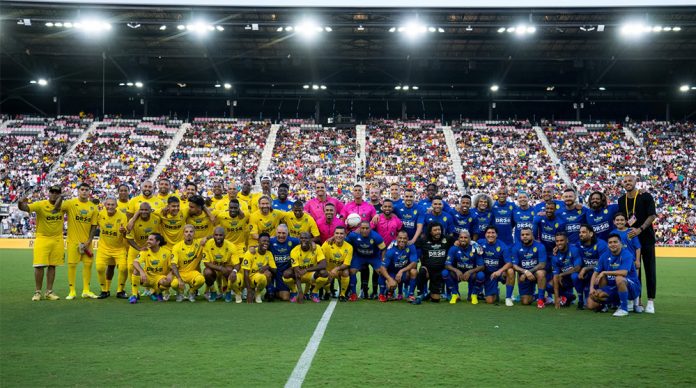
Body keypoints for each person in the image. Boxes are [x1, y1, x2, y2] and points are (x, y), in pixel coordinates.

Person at [18, 185, 64, 301]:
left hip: (57, 239)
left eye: (57, 192)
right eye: (52, 191)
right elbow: (24, 208)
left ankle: (49, 292)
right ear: (49, 193)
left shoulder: (64, 205)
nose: (54, 194)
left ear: (59, 194)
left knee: (52, 266)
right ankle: (37, 292)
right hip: (42, 238)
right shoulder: (40, 204)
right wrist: (20, 202)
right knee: (39, 266)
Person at [586, 233, 642, 317]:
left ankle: (624, 309)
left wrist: (604, 272)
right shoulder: (604, 256)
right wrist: (591, 288)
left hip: (632, 287)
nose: (613, 244)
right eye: (610, 242)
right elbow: (595, 272)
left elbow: (624, 273)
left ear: (621, 243)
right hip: (614, 287)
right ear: (608, 244)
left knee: (619, 278)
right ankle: (608, 305)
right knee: (591, 303)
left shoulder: (627, 254)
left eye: (615, 242)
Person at [61, 182, 99, 300]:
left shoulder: (93, 207)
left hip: (87, 243)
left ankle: (86, 290)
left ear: (89, 192)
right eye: (82, 189)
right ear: (78, 191)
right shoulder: (70, 203)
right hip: (73, 242)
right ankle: (72, 291)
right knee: (72, 265)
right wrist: (62, 196)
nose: (84, 191)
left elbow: (94, 226)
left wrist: (89, 241)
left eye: (86, 190)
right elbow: (57, 208)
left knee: (88, 265)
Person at [413, 222, 456, 304]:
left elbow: (462, 241)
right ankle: (420, 294)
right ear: (430, 231)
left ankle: (431, 293)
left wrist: (458, 243)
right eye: (435, 230)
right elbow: (411, 246)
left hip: (439, 272)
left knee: (436, 300)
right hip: (427, 271)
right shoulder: (423, 240)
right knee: (421, 271)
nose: (437, 232)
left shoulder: (447, 239)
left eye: (439, 229)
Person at [94, 197, 128, 299]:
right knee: (99, 268)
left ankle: (120, 291)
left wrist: (124, 231)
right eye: (108, 204)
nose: (110, 206)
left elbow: (127, 234)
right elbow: (92, 226)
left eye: (112, 204)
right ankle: (104, 290)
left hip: (119, 248)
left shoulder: (122, 216)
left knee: (123, 268)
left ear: (116, 206)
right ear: (104, 205)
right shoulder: (100, 214)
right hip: (103, 248)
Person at [126, 202, 162, 297]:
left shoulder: (156, 218)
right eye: (141, 210)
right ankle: (135, 292)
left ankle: (153, 290)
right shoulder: (133, 222)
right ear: (138, 211)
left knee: (153, 268)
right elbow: (129, 238)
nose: (144, 212)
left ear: (150, 210)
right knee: (131, 268)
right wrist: (139, 248)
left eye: (146, 210)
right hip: (136, 247)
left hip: (151, 248)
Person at [345, 221, 386, 301]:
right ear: (359, 229)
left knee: (381, 271)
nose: (365, 230)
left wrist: (383, 260)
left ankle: (381, 294)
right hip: (359, 256)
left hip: (373, 257)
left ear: (370, 228)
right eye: (363, 228)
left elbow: (383, 249)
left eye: (367, 228)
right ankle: (353, 293)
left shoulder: (376, 236)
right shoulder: (353, 235)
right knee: (352, 271)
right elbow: (345, 243)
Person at [285, 232, 328, 303]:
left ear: (311, 240)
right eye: (301, 238)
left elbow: (323, 264)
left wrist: (306, 270)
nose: (303, 240)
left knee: (324, 273)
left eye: (306, 238)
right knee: (286, 274)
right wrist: (300, 292)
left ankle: (314, 292)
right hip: (300, 275)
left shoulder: (317, 248)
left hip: (312, 275)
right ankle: (294, 292)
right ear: (299, 239)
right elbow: (297, 271)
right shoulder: (294, 251)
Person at [129, 233, 172, 303]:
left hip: (159, 278)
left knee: (168, 282)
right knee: (136, 270)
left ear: (158, 242)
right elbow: (135, 262)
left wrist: (170, 273)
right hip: (146, 278)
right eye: (148, 239)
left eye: (151, 240)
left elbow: (173, 266)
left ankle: (156, 292)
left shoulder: (167, 252)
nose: (148, 241)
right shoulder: (145, 251)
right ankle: (134, 295)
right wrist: (142, 272)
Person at [443, 230, 484, 305]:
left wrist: (470, 272)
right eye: (461, 237)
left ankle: (473, 294)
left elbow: (482, 266)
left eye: (465, 237)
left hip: (471, 275)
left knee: (481, 275)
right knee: (445, 273)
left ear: (470, 239)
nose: (463, 239)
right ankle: (455, 294)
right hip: (458, 274)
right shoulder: (453, 248)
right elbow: (447, 265)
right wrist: (456, 270)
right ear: (458, 239)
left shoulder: (475, 248)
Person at [202, 226, 242, 303]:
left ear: (224, 236)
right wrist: (220, 268)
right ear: (213, 235)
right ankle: (213, 292)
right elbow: (206, 262)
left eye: (220, 235)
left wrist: (234, 271)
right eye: (216, 235)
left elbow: (237, 264)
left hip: (226, 269)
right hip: (215, 269)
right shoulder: (208, 244)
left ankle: (228, 291)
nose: (218, 237)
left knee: (230, 270)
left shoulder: (231, 246)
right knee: (207, 272)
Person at [510, 227, 547, 308]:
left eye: (527, 234)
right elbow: (514, 266)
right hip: (524, 276)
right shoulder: (516, 247)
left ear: (532, 235)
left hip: (536, 274)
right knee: (525, 302)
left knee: (541, 273)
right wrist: (525, 272)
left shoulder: (540, 246)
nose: (525, 236)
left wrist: (529, 271)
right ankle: (535, 296)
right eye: (522, 235)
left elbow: (542, 264)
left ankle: (540, 300)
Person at [478, 226, 514, 306]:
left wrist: (499, 271)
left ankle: (508, 298)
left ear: (497, 235)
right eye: (488, 233)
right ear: (485, 235)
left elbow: (509, 263)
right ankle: (495, 292)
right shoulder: (480, 243)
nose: (490, 235)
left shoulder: (503, 246)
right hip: (488, 274)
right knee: (490, 301)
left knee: (510, 271)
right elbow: (469, 242)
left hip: (500, 273)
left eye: (493, 233)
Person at [576, 224, 609, 310]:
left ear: (591, 234)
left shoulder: (601, 244)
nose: (580, 234)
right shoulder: (578, 244)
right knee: (590, 306)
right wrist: (556, 248)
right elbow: (568, 248)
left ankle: (607, 303)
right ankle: (581, 300)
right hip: (588, 276)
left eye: (583, 232)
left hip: (600, 275)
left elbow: (604, 265)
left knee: (602, 275)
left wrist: (586, 268)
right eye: (580, 232)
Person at [170, 225, 206, 302]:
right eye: (186, 232)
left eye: (191, 231)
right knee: (174, 284)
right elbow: (173, 265)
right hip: (181, 273)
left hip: (192, 272)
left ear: (194, 233)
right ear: (183, 234)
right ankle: (180, 292)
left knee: (201, 280)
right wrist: (179, 279)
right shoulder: (176, 247)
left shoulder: (199, 243)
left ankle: (191, 291)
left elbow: (214, 235)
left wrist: (206, 238)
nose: (188, 234)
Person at [380, 230, 417, 302]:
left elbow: (414, 263)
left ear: (408, 239)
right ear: (396, 238)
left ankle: (410, 295)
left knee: (414, 271)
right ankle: (387, 293)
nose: (402, 240)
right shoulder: (391, 249)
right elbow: (383, 267)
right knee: (388, 280)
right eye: (400, 238)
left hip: (404, 272)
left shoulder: (411, 246)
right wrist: (389, 279)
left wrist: (401, 271)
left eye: (404, 238)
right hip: (392, 272)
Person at [268, 224, 300, 301]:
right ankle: (269, 290)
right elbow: (260, 245)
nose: (281, 235)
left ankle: (274, 292)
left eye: (283, 233)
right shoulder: (270, 241)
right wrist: (253, 248)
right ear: (275, 233)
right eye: (279, 233)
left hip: (284, 272)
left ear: (287, 233)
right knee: (266, 273)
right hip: (273, 271)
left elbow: (305, 241)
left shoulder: (293, 241)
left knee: (285, 297)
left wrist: (312, 243)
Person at [242, 233, 276, 303]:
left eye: (267, 241)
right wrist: (249, 290)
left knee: (267, 274)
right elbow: (245, 272)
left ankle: (258, 293)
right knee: (237, 279)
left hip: (257, 278)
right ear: (258, 242)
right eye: (263, 241)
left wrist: (267, 267)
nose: (266, 243)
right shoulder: (250, 252)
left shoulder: (269, 254)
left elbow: (275, 270)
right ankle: (240, 293)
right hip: (247, 279)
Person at [550, 232, 582, 309]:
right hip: (565, 280)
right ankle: (569, 296)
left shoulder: (574, 250)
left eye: (561, 240)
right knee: (549, 285)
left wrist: (561, 274)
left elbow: (577, 268)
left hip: (578, 278)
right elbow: (555, 276)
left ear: (567, 240)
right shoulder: (555, 256)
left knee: (574, 276)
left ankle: (581, 300)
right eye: (557, 241)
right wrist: (556, 298)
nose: (559, 243)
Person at [322, 226, 353, 301]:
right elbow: (321, 258)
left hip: (339, 271)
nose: (339, 235)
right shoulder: (327, 244)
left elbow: (347, 264)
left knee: (346, 272)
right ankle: (328, 292)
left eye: (341, 233)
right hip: (328, 270)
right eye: (337, 233)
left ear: (345, 235)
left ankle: (342, 294)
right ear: (334, 234)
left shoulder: (349, 247)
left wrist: (336, 269)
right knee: (322, 273)